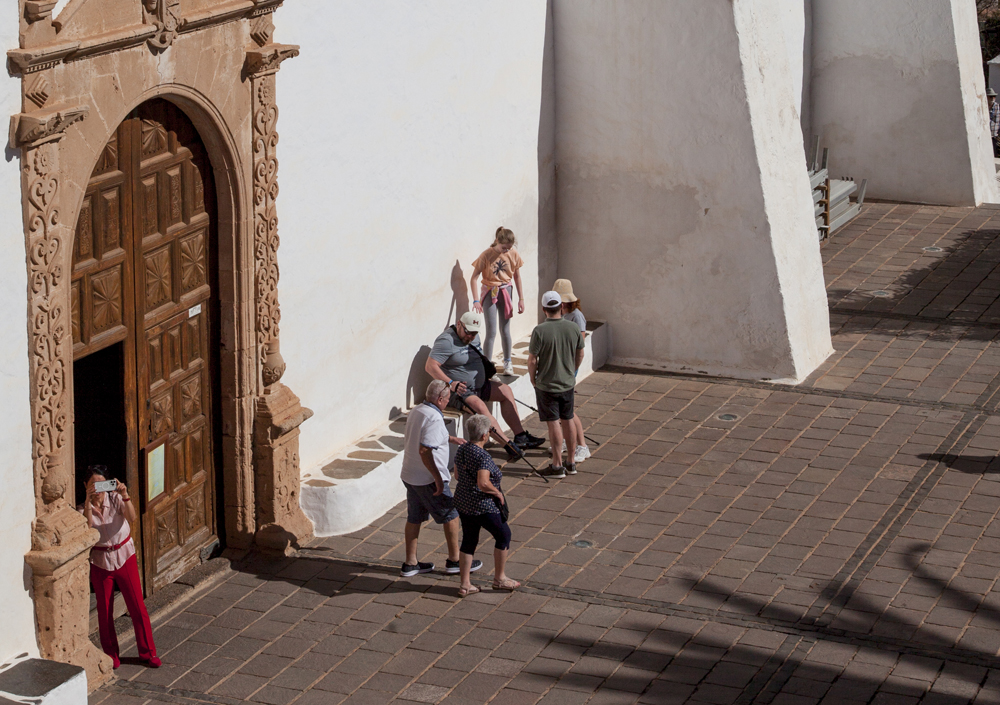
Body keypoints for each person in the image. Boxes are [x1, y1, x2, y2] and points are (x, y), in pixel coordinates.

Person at [425, 311, 545, 456]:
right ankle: (508, 445)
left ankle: (520, 436)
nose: (471, 336)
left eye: (474, 333)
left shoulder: (474, 338)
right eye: (468, 332)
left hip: (480, 385)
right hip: (460, 390)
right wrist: (451, 383)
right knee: (480, 406)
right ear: (459, 324)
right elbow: (430, 366)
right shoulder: (446, 341)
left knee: (505, 391)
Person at [399, 380, 483, 577]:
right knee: (451, 516)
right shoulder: (434, 418)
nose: (448, 402)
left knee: (414, 518)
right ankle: (455, 560)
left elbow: (425, 435)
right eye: (446, 399)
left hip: (410, 475)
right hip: (428, 479)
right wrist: (437, 477)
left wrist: (451, 439)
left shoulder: (418, 410)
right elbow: (424, 449)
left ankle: (411, 563)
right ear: (439, 399)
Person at [80, 466, 160, 670]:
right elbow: (85, 529)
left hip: (124, 555)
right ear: (85, 487)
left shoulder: (115, 499)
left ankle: (148, 653)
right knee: (104, 611)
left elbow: (132, 517)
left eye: (101, 484)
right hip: (100, 561)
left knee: (136, 605)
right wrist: (89, 502)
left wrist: (125, 495)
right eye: (93, 485)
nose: (98, 490)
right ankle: (111, 655)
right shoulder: (82, 508)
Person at [453, 414, 520, 596]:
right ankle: (500, 578)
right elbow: (483, 483)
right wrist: (497, 492)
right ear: (484, 436)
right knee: (503, 535)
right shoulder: (482, 456)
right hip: (482, 506)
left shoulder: (463, 449)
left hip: (464, 502)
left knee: (469, 539)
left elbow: (457, 476)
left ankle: (465, 584)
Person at [528, 291, 585, 479]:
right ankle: (571, 462)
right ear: (561, 307)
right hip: (567, 383)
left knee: (553, 422)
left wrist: (533, 378)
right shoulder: (573, 328)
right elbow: (580, 354)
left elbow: (532, 360)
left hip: (547, 385)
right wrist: (572, 371)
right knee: (568, 419)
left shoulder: (539, 331)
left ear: (544, 309)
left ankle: (557, 464)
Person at [470, 227, 526, 376]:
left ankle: (508, 361)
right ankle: (487, 366)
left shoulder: (513, 254)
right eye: (503, 248)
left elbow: (517, 277)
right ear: (497, 241)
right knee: (492, 330)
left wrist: (521, 299)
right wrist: (476, 299)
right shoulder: (487, 255)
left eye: (508, 248)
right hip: (490, 291)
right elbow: (474, 278)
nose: (506, 251)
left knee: (505, 329)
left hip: (506, 291)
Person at [552, 279, 591, 464]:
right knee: (563, 411)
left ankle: (582, 445)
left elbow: (579, 344)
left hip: (568, 368)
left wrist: (572, 369)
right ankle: (572, 441)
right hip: (560, 366)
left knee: (568, 411)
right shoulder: (560, 314)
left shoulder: (576, 316)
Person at [990, 88, 999, 158]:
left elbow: (997, 120)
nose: (992, 98)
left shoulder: (996, 106)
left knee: (993, 153)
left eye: (994, 96)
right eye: (990, 96)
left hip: (993, 134)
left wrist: (995, 134)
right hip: (985, 133)